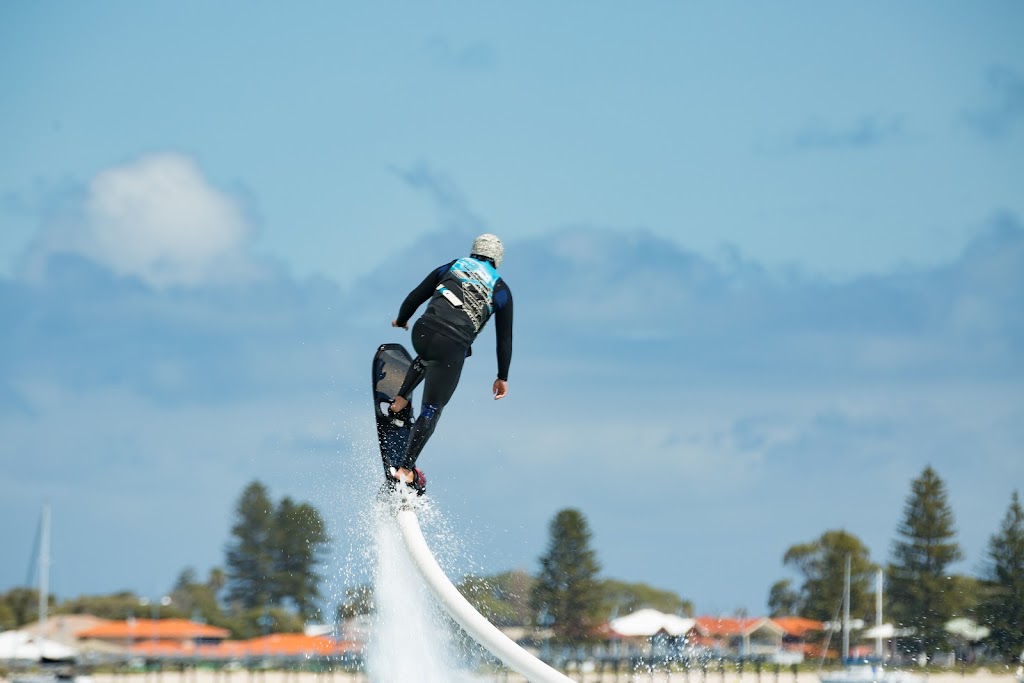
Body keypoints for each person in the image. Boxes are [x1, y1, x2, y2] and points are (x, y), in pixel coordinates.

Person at [387, 233, 513, 488]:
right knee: (432, 409)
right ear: (498, 259)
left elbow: (415, 296)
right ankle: (405, 470)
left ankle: (400, 400)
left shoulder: (452, 266)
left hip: (421, 332)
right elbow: (505, 339)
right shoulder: (500, 290)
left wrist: (401, 320)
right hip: (451, 346)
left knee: (427, 356)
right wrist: (502, 376)